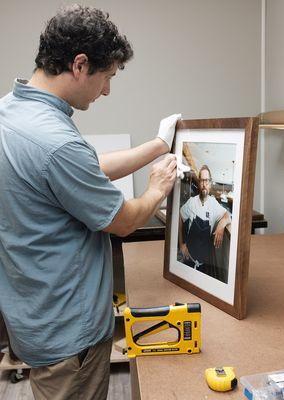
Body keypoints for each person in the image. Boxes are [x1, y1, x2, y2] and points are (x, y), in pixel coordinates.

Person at [0, 5, 180, 400]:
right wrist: (156, 187)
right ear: (80, 64)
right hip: (70, 334)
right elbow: (125, 221)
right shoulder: (57, 143)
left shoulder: (12, 111)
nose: (107, 90)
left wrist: (157, 146)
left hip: (34, 311)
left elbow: (84, 170)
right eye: (107, 77)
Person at [178, 165, 231, 281]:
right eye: (202, 180)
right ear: (199, 182)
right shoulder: (191, 202)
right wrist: (182, 244)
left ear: (210, 183)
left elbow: (227, 216)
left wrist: (221, 225)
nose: (204, 183)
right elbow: (180, 218)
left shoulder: (213, 204)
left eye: (206, 180)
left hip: (203, 266)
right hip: (188, 261)